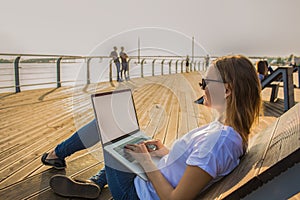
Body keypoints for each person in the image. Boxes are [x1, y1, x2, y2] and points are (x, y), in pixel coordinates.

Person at [48, 55, 262, 200]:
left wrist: (146, 162)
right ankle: (97, 180)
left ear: (226, 90)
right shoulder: (224, 132)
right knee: (126, 139)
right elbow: (196, 164)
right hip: (154, 173)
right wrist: (163, 152)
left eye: (205, 83)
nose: (202, 87)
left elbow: (174, 199)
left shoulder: (219, 142)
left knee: (108, 123)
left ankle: (56, 155)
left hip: (135, 192)